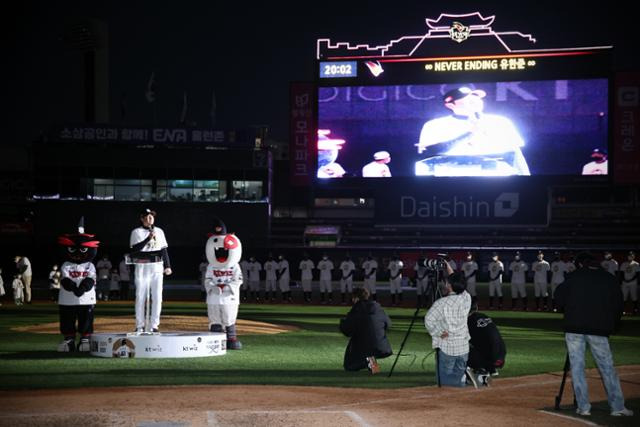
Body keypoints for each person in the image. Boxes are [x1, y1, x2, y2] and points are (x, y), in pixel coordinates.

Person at [555, 252, 633, 417]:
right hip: (599, 328)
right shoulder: (608, 278)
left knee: (577, 368)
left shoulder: (573, 276)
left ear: (581, 263)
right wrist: (612, 324)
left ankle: (584, 407)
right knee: (607, 368)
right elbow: (618, 305)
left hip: (574, 327)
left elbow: (558, 299)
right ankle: (617, 407)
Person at [416, 86, 530, 176]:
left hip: (494, 178)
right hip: (450, 179)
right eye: (468, 100)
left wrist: (525, 179)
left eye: (476, 98)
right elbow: (430, 152)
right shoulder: (435, 125)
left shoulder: (500, 121)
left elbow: (515, 153)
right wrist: (469, 133)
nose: (475, 101)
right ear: (450, 104)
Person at [424, 269, 471, 387]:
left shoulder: (441, 303)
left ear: (448, 285)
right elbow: (461, 287)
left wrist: (438, 332)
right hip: (463, 347)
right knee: (459, 379)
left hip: (447, 347)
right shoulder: (466, 299)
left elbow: (428, 320)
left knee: (446, 384)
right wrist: (449, 268)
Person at [129, 208, 172, 333]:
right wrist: (148, 239)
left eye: (151, 216)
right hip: (142, 267)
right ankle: (139, 325)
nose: (150, 218)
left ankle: (154, 325)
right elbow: (135, 249)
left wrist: (167, 266)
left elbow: (164, 250)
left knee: (157, 296)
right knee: (140, 296)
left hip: (157, 268)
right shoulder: (136, 232)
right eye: (147, 216)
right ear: (141, 218)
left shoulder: (159, 231)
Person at [204, 218, 244, 350]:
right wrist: (212, 287)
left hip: (229, 297)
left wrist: (228, 286)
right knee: (214, 317)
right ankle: (215, 340)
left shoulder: (235, 265)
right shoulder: (211, 266)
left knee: (229, 317)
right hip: (214, 297)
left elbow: (238, 279)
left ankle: (231, 338)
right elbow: (207, 279)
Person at [339, 287, 392, 373]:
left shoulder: (357, 309)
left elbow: (347, 330)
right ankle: (372, 363)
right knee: (367, 342)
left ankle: (366, 362)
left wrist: (342, 323)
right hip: (381, 346)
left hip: (364, 346)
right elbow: (389, 324)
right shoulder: (378, 307)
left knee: (349, 366)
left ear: (356, 298)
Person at [467, 303, 506, 387]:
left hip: (490, 358)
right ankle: (491, 369)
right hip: (501, 357)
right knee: (485, 341)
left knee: (461, 347)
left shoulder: (469, 320)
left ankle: (480, 371)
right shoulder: (484, 316)